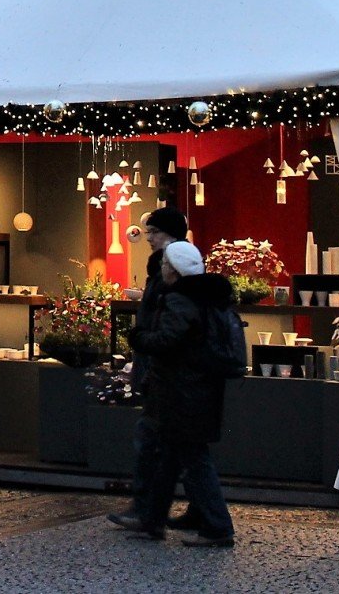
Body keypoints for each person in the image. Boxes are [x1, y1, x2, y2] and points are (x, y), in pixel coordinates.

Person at [123, 240, 238, 547]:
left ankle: (217, 526)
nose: (162, 270)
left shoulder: (180, 300)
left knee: (192, 458)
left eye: (165, 265)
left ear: (173, 270)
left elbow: (167, 341)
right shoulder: (210, 298)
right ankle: (152, 520)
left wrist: (139, 337)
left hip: (181, 393)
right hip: (199, 391)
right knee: (171, 458)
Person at [107, 204, 190, 535]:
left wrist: (143, 342)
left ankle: (148, 511)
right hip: (161, 369)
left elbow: (167, 323)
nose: (149, 238)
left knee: (155, 442)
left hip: (164, 372)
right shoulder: (167, 268)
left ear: (166, 234)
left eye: (153, 232)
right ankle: (158, 513)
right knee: (172, 449)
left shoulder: (172, 269)